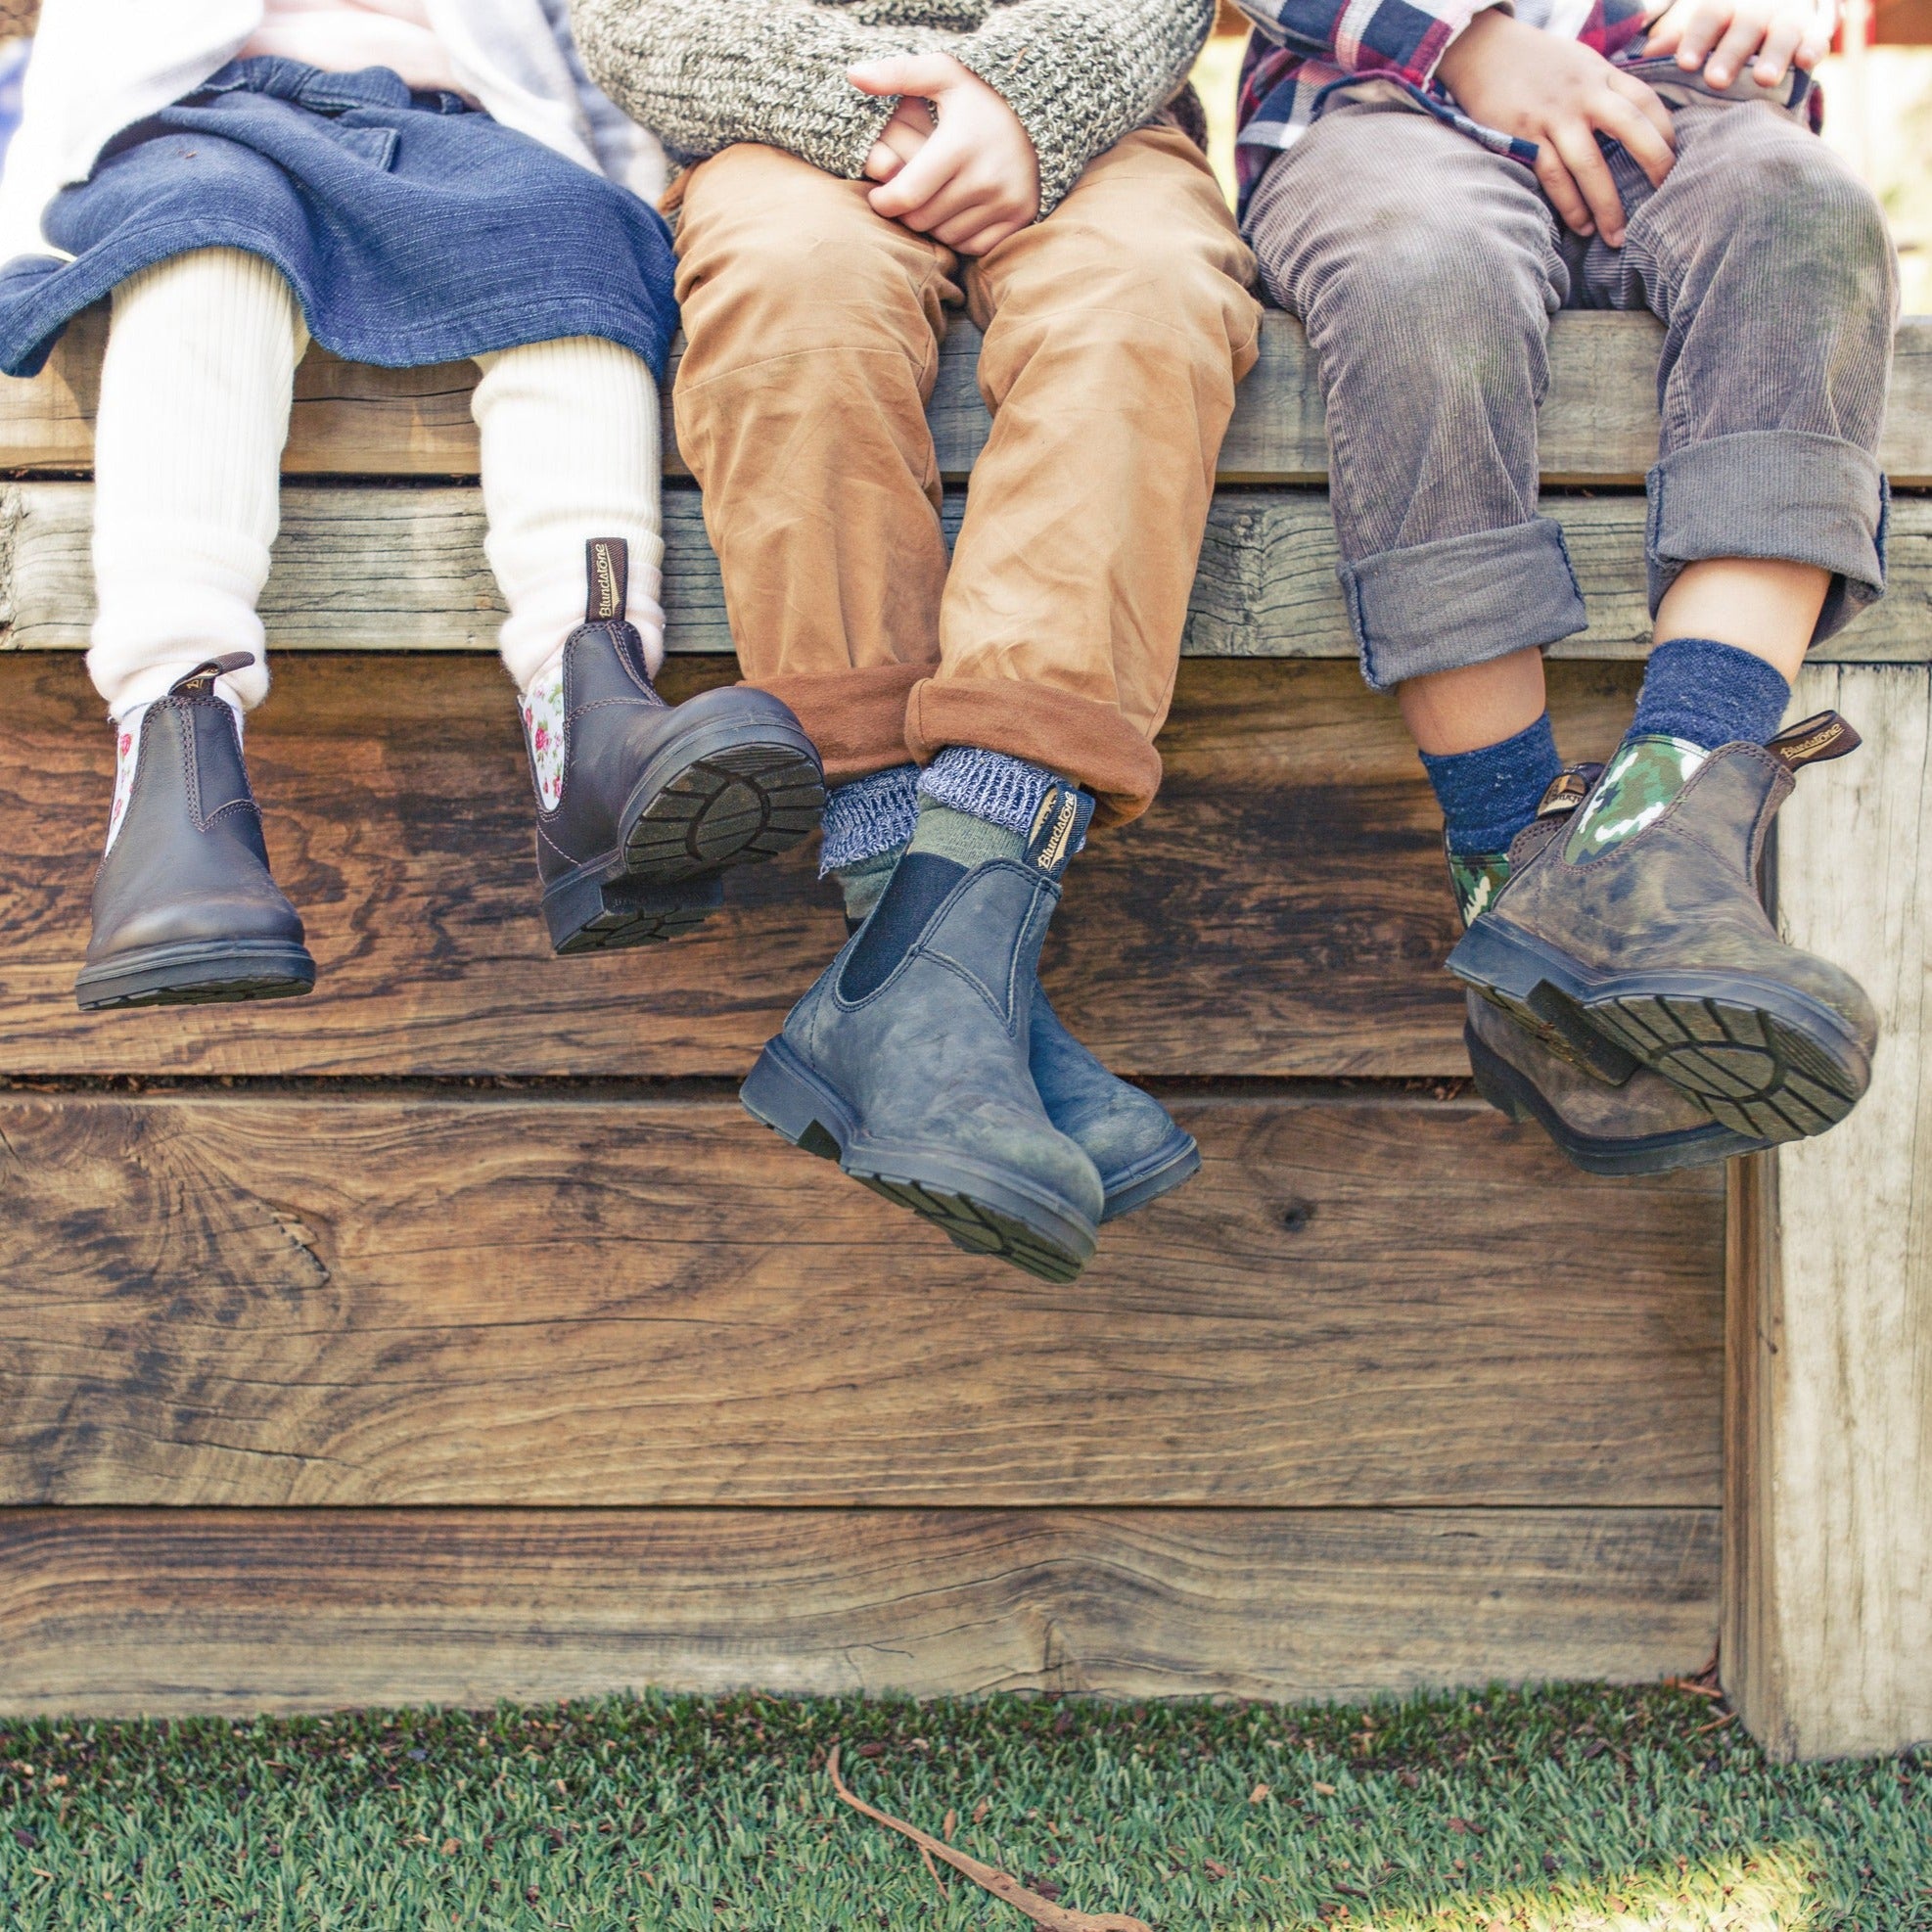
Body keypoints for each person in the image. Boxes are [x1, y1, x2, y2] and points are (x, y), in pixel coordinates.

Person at [575, 0, 1263, 1278]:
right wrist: (871, 111)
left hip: (1093, 122)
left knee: (1143, 298)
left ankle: (920, 978)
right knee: (794, 298)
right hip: (778, 125)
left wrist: (1024, 101)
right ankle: (941, 981)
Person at [0, 0, 826, 1013]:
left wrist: (631, 208)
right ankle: (172, 786)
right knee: (208, 247)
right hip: (195, 116)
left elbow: (597, 77)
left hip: (464, 129)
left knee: (575, 239)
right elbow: (75, 66)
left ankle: (595, 723)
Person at [1229, 0, 1897, 1173]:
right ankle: (1515, 873)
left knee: (1804, 218)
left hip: (1679, 91)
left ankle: (1663, 838)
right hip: (1379, 103)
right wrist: (1469, 45)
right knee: (1420, 275)